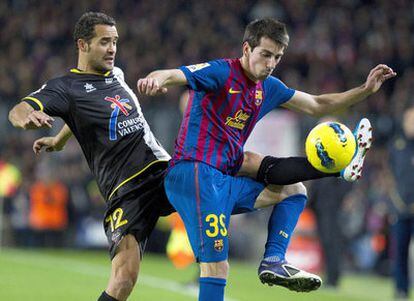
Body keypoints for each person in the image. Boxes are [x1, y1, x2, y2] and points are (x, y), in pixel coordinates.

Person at [137, 18, 395, 301]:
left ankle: (274, 259)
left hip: (224, 177)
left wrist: (365, 90)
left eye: (277, 57)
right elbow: (174, 74)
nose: (271, 63)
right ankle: (338, 170)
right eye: (266, 54)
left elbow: (317, 104)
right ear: (246, 49)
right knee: (216, 267)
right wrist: (156, 79)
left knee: (294, 191)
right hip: (194, 174)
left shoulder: (268, 88)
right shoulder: (223, 72)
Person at [8, 12, 174, 301]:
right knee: (124, 280)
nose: (112, 48)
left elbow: (88, 116)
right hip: (125, 188)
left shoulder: (117, 74)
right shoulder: (65, 88)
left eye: (115, 42)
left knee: (214, 188)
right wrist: (26, 118)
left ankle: (274, 228)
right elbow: (18, 110)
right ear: (82, 45)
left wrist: (59, 140)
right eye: (104, 42)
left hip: (159, 168)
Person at [388, 105, 414, 300]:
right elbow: (389, 175)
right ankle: (401, 290)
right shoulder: (397, 145)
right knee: (400, 251)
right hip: (401, 206)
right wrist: (392, 199)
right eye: (409, 120)